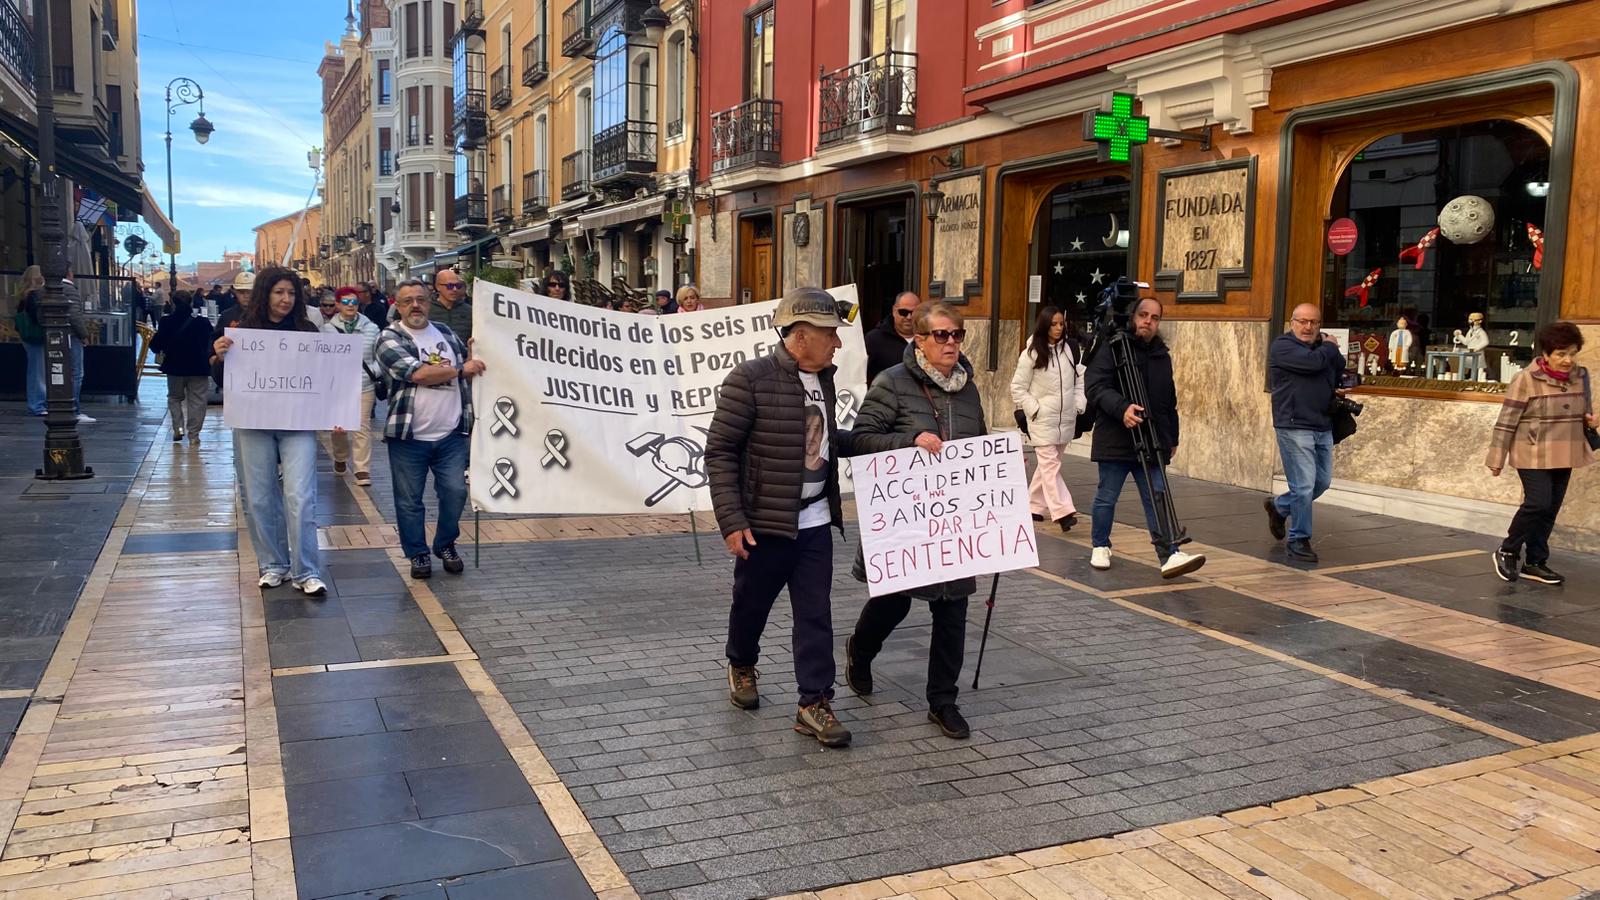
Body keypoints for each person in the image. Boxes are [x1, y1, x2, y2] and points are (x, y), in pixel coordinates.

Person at [706, 286, 853, 748]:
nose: (838, 343)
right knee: (751, 605)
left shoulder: (823, 379)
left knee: (815, 615)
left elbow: (830, 442)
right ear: (801, 334)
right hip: (764, 525)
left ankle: (814, 702)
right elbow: (721, 451)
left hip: (813, 525)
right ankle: (741, 661)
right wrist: (732, 522)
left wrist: (903, 441)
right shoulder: (750, 378)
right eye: (830, 333)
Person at [845, 301, 988, 740]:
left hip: (952, 525)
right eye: (940, 335)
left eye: (957, 334)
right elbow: (858, 440)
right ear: (920, 340)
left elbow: (977, 445)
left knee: (953, 607)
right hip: (905, 523)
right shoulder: (892, 382)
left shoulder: (968, 388)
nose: (950, 342)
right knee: (895, 600)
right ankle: (860, 651)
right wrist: (910, 441)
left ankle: (943, 700)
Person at [210, 266, 327, 596]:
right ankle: (273, 564)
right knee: (259, 497)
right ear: (265, 294)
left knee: (301, 497)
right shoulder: (239, 329)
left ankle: (306, 570)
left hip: (297, 423)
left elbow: (322, 379)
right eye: (279, 292)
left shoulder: (307, 331)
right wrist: (218, 357)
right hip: (252, 422)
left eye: (291, 293)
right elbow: (222, 383)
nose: (286, 299)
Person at [1083, 296, 1205, 578]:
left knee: (1157, 496)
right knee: (1107, 497)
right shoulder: (1112, 347)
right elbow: (1095, 386)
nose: (1148, 321)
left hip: (1151, 439)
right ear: (1132, 316)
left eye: (1155, 317)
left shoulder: (1161, 355)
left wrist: (1172, 437)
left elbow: (1168, 400)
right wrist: (1122, 408)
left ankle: (1169, 554)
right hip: (1116, 437)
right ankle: (1100, 545)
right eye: (1143, 315)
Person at [375, 278, 484, 580]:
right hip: (409, 436)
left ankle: (445, 544)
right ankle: (418, 553)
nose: (415, 306)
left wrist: (480, 352)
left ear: (429, 301)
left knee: (456, 492)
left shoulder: (447, 333)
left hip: (451, 433)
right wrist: (461, 369)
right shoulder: (389, 337)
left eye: (421, 299)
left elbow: (472, 368)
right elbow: (417, 373)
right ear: (397, 305)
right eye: (408, 300)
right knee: (409, 500)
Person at [1488, 321, 1595, 586]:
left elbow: (1583, 412)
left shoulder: (1581, 376)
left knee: (1550, 509)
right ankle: (1508, 549)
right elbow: (1507, 420)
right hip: (1532, 451)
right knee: (1537, 502)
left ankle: (1535, 562)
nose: (1567, 360)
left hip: (1566, 449)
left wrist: (1590, 421)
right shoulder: (1525, 379)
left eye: (1572, 353)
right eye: (1561, 354)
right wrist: (1496, 457)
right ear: (1546, 354)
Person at [1265, 304, 1347, 563]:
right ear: (1292, 323)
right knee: (1303, 486)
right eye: (1302, 321)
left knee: (1320, 483)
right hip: (1294, 424)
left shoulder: (1320, 349)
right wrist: (1330, 346)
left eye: (1313, 322)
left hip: (1322, 424)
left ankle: (1280, 507)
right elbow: (1313, 364)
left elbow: (1339, 367)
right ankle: (1298, 540)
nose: (1308, 327)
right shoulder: (1283, 346)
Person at [1010, 305, 1085, 532]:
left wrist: (1079, 404)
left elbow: (1079, 377)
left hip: (1065, 419)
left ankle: (1033, 505)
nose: (1058, 328)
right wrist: (1035, 410)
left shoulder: (1070, 350)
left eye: (1061, 323)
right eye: (1053, 324)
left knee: (1048, 467)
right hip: (1042, 419)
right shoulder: (1031, 353)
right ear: (1044, 325)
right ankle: (1063, 512)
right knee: (1050, 466)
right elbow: (1017, 388)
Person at [320, 286, 382, 486]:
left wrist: (373, 371)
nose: (350, 306)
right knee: (339, 428)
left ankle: (362, 469)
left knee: (362, 426)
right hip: (337, 386)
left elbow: (380, 354)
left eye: (354, 302)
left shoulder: (371, 328)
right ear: (337, 305)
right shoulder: (327, 330)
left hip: (364, 384)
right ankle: (340, 456)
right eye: (345, 302)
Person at [150, 291, 213, 445]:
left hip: (174, 367)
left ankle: (178, 429)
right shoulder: (203, 323)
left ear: (173, 303)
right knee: (198, 401)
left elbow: (155, 345)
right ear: (191, 303)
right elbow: (211, 342)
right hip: (199, 367)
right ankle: (194, 435)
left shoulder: (166, 322)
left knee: (174, 398)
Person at [8, 266, 46, 416]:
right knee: (38, 371)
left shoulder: (24, 294)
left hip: (28, 336)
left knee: (35, 370)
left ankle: (37, 403)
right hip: (35, 336)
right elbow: (37, 316)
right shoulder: (33, 295)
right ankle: (37, 405)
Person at [60, 268, 94, 424]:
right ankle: (74, 409)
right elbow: (74, 315)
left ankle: (63, 407)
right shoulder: (69, 289)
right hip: (71, 335)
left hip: (58, 335)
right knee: (76, 373)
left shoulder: (50, 288)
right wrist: (83, 334)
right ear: (69, 273)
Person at [865, 291, 920, 386]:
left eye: (914, 312)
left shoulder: (930, 338)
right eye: (903, 312)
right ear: (894, 311)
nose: (909, 317)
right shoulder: (874, 339)